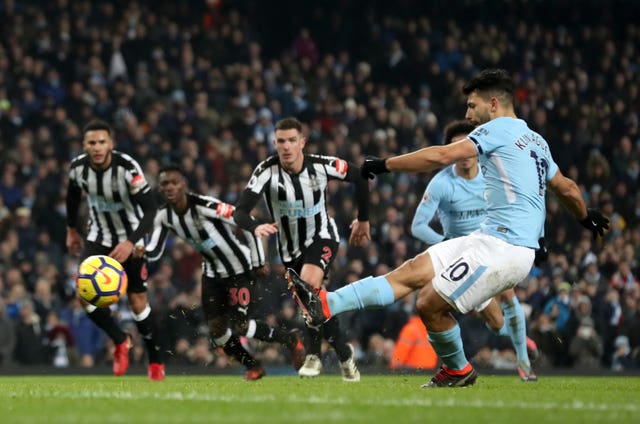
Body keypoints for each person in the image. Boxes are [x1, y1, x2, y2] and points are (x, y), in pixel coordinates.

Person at [286, 69, 609, 388]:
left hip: (505, 248)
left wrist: (384, 165)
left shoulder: (497, 130)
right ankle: (326, 304)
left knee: (429, 303)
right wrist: (585, 216)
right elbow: (565, 188)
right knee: (412, 271)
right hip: (487, 238)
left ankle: (459, 369)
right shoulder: (536, 140)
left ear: (493, 104)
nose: (468, 114)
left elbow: (441, 155)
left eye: (472, 105)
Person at [233, 117, 371, 381]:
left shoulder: (320, 165)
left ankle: (313, 355)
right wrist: (254, 226)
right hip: (289, 251)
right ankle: (343, 352)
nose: (286, 147)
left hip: (322, 236)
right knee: (314, 304)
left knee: (308, 287)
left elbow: (360, 176)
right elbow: (240, 211)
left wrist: (363, 218)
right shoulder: (266, 171)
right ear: (274, 143)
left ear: (302, 143)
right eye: (281, 141)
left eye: (292, 140)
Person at [139, 164, 306, 381]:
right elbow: (154, 250)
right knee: (217, 332)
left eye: (174, 182)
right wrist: (141, 251)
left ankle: (290, 339)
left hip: (239, 268)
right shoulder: (163, 216)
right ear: (159, 188)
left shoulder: (205, 206)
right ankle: (253, 365)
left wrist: (258, 261)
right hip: (211, 273)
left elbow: (247, 222)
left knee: (241, 325)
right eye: (164, 184)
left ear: (183, 185)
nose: (169, 187)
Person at [410, 119, 540, 381]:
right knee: (495, 324)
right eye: (455, 146)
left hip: (494, 246)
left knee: (508, 294)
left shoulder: (494, 175)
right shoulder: (441, 183)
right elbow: (418, 226)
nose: (463, 152)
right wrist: (444, 245)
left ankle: (524, 364)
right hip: (463, 258)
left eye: (466, 145)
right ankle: (517, 339)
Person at [66, 119, 164, 380]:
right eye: (91, 143)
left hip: (131, 235)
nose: (97, 147)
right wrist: (71, 229)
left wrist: (132, 242)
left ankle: (155, 362)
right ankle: (120, 340)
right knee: (84, 292)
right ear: (84, 145)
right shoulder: (77, 169)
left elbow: (152, 208)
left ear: (111, 144)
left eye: (101, 142)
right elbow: (73, 197)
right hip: (98, 236)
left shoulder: (127, 168)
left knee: (137, 302)